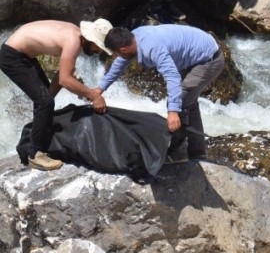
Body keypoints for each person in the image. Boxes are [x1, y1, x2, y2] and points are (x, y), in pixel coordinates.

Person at [94, 25, 224, 161]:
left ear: (123, 49)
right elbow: (120, 64)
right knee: (187, 103)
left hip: (209, 60)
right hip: (195, 55)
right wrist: (100, 88)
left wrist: (173, 112)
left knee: (181, 102)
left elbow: (172, 77)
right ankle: (195, 151)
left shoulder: (152, 48)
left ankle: (182, 152)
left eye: (117, 53)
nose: (118, 57)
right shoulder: (134, 37)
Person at [0, 19, 111, 171]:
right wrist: (93, 96)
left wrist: (80, 90)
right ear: (91, 39)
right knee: (44, 101)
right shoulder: (74, 41)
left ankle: (38, 138)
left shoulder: (75, 35)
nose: (99, 52)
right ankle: (35, 155)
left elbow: (61, 77)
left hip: (22, 54)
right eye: (99, 48)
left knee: (45, 99)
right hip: (12, 56)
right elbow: (65, 80)